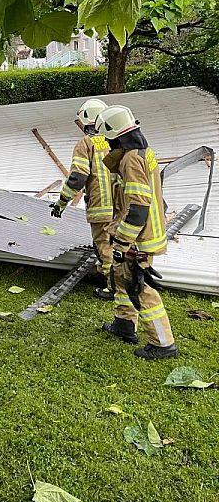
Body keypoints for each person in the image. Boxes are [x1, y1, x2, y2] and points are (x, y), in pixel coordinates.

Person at [95, 105, 178, 360]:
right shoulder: (140, 152)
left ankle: (163, 343)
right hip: (141, 233)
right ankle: (124, 324)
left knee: (138, 286)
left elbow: (138, 207)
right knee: (122, 279)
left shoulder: (131, 159)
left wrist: (122, 242)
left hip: (139, 237)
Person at [49, 98, 120, 300]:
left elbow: (77, 177)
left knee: (103, 245)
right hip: (122, 205)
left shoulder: (86, 144)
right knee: (119, 243)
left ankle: (112, 286)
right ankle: (106, 274)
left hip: (101, 205)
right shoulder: (117, 141)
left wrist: (62, 201)